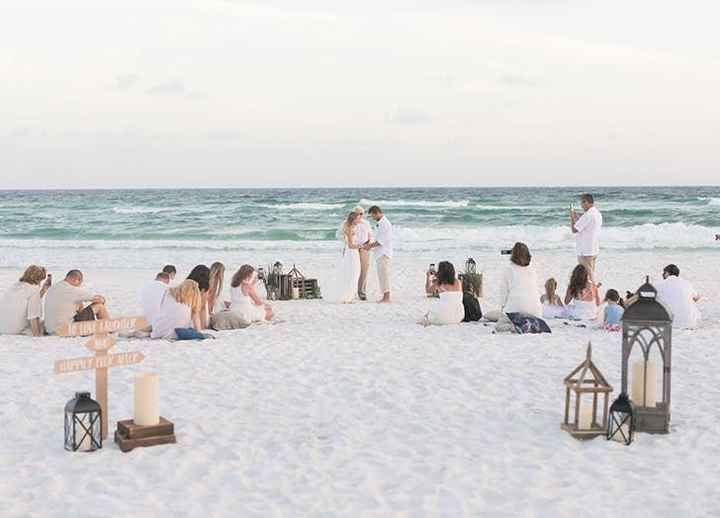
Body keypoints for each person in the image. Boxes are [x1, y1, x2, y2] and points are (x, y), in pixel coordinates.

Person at [44, 270, 111, 334]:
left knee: (78, 303)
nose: (79, 285)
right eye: (80, 283)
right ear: (76, 280)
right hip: (66, 330)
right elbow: (100, 299)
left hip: (50, 330)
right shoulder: (72, 290)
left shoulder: (53, 287)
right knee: (99, 306)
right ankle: (110, 329)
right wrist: (102, 300)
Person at [0, 265, 51, 336]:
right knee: (47, 324)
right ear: (38, 279)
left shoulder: (15, 286)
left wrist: (43, 290)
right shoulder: (34, 289)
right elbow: (33, 315)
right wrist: (37, 335)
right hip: (14, 330)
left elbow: (29, 301)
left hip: (2, 327)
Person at [498, 242, 542, 318]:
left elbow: (503, 293)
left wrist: (503, 308)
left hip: (516, 310)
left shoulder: (509, 269)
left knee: (499, 325)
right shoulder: (533, 270)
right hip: (536, 312)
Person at [655, 264, 701, 329]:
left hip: (670, 323)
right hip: (690, 323)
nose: (663, 274)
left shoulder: (660, 284)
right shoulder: (686, 283)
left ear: (667, 273)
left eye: (664, 272)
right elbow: (697, 297)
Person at [364, 206, 393, 303]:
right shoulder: (380, 223)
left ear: (377, 213)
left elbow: (381, 241)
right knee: (382, 275)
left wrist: (369, 246)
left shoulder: (385, 224)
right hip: (380, 253)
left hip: (384, 253)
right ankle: (385, 296)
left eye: (372, 216)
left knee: (384, 275)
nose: (372, 218)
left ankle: (387, 297)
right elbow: (378, 238)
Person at [570, 193, 602, 280]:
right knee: (591, 275)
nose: (581, 206)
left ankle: (592, 292)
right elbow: (585, 224)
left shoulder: (588, 215)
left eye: (582, 203)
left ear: (587, 202)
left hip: (585, 251)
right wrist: (577, 217)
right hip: (593, 249)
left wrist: (572, 218)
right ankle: (593, 292)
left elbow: (574, 229)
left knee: (587, 278)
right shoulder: (597, 213)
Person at [421, 261, 464, 325]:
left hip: (444, 317)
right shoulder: (458, 282)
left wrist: (428, 277)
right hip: (458, 317)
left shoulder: (439, 283)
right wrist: (437, 276)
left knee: (430, 312)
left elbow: (428, 291)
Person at [333, 211, 362, 303]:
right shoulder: (349, 229)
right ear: (353, 219)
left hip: (353, 253)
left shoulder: (352, 227)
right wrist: (361, 246)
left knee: (354, 273)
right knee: (354, 273)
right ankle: (347, 298)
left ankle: (349, 297)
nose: (359, 220)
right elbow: (350, 245)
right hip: (352, 253)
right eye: (358, 218)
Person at [353, 206, 373, 301]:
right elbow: (342, 235)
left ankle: (362, 292)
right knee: (353, 270)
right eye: (358, 213)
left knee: (364, 270)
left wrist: (369, 244)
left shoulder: (366, 223)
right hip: (353, 249)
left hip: (365, 248)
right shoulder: (350, 223)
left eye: (362, 213)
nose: (360, 215)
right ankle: (351, 291)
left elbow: (370, 235)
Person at [186, 265, 211, 329]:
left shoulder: (185, 285)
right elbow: (202, 308)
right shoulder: (204, 287)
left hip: (182, 320)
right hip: (194, 322)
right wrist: (203, 327)